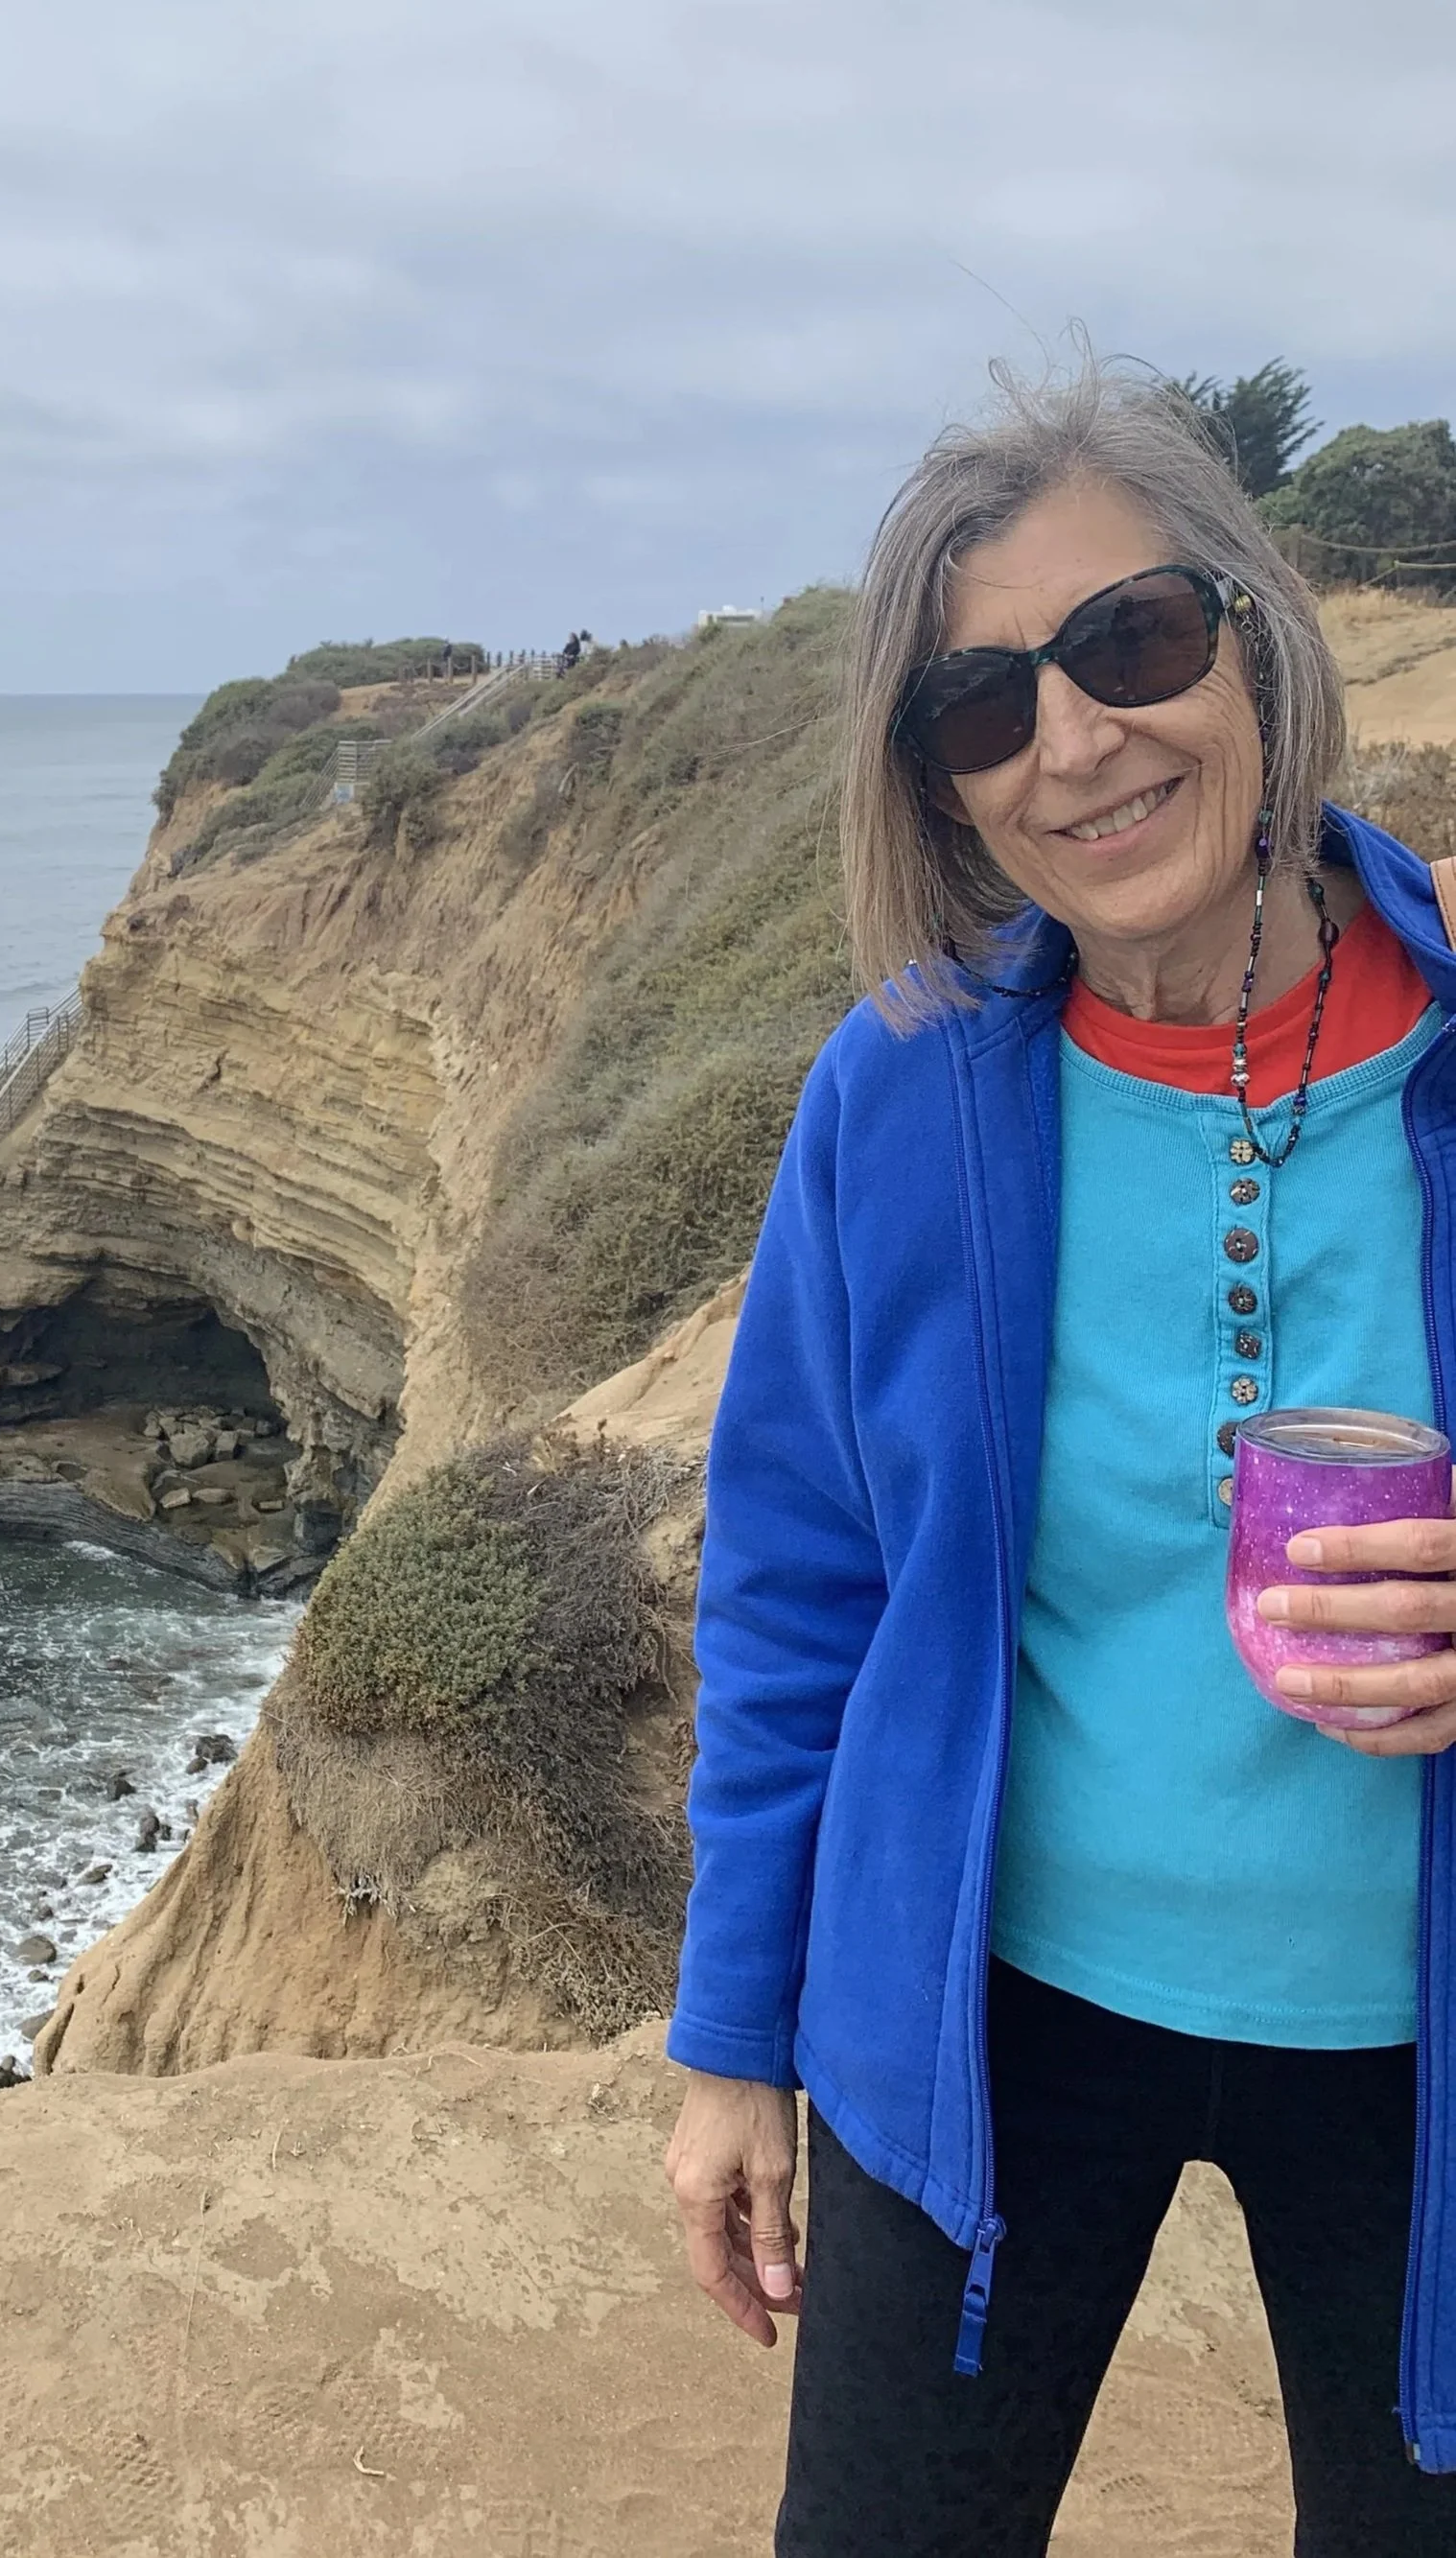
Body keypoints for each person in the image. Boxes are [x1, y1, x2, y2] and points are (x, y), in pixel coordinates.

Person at [663, 361, 1456, 2553]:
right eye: (983, 706)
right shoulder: (902, 1090)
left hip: (1417, 2040)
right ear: (936, 784)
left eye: (1132, 639)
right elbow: (799, 1585)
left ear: (1255, 639)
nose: (1077, 741)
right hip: (983, 2013)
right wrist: (733, 2037)